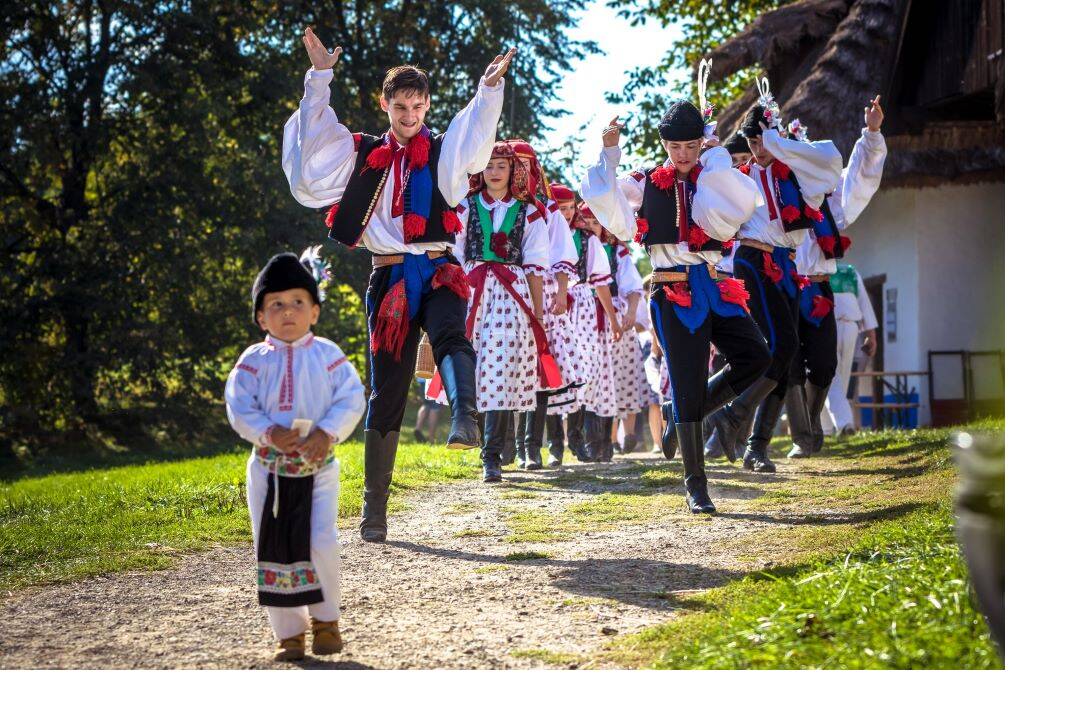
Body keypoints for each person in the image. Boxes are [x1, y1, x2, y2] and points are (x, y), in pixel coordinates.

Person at [281, 27, 514, 541]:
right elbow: (310, 155)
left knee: (453, 334)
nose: (410, 117)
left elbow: (474, 135)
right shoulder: (360, 155)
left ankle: (463, 417)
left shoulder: (442, 151)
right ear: (385, 105)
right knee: (386, 390)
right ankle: (374, 510)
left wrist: (488, 90)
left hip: (438, 270)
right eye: (400, 108)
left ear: (427, 105)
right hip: (388, 279)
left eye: (417, 107)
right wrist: (320, 77)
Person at [581, 100, 770, 513]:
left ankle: (682, 411)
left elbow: (745, 202)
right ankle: (696, 486)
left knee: (757, 356)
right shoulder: (645, 181)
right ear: (663, 143)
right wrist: (609, 152)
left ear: (701, 142)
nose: (682, 154)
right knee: (686, 382)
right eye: (674, 146)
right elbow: (601, 194)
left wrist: (717, 155)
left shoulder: (715, 177)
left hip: (717, 286)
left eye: (690, 145)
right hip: (672, 289)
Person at [225, 251, 366, 662]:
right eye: (276, 305)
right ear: (261, 318)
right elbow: (239, 405)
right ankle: (288, 634)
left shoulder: (328, 355)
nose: (288, 312)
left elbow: (352, 397)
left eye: (298, 302)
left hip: (318, 469)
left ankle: (326, 621)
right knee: (272, 546)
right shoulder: (252, 362)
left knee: (321, 541)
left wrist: (328, 432)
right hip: (269, 471)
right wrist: (267, 432)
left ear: (315, 311)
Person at [709, 79, 843, 473]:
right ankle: (732, 415)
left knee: (786, 355)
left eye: (763, 141)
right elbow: (715, 194)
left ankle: (755, 445)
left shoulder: (798, 173)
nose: (757, 150)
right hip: (753, 260)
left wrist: (781, 143)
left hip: (787, 266)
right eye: (752, 144)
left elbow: (830, 162)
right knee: (782, 346)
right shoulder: (743, 176)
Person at [784, 101, 886, 457]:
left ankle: (814, 425)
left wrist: (871, 134)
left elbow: (858, 179)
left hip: (820, 288)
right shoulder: (778, 195)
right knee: (791, 364)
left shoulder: (829, 203)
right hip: (786, 286)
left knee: (825, 366)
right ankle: (803, 436)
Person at [450, 141, 553, 482]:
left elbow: (537, 264)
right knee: (474, 364)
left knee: (501, 366)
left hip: (512, 294)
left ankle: (491, 455)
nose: (494, 172)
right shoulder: (465, 207)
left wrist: (538, 314)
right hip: (473, 288)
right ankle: (480, 437)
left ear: (514, 170)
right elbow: (456, 253)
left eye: (501, 166)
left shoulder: (530, 211)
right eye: (489, 166)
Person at [508, 141, 580, 470]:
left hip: (542, 293)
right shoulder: (497, 204)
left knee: (538, 373)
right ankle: (501, 447)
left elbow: (563, 254)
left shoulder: (548, 208)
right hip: (504, 290)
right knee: (507, 369)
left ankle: (532, 447)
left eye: (526, 163)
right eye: (515, 163)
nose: (521, 170)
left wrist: (560, 293)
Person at [821, 262, 879, 435]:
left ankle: (828, 427)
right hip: (828, 325)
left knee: (840, 377)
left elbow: (864, 304)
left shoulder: (850, 271)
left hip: (847, 326)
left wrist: (871, 336)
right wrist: (872, 336)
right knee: (832, 375)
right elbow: (865, 305)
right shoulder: (847, 271)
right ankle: (841, 423)